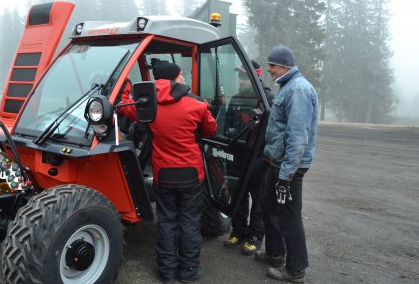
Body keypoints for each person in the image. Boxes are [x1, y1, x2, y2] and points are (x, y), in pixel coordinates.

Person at [119, 60, 217, 284]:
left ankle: (166, 272)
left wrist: (125, 83)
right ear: (175, 77)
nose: (184, 79)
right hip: (192, 175)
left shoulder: (146, 105)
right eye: (182, 75)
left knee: (166, 221)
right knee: (190, 222)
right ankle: (189, 270)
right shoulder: (197, 104)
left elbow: (123, 104)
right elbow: (211, 130)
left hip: (163, 174)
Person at [254, 46, 318, 283]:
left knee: (289, 217)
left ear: (285, 66)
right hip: (277, 163)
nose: (268, 69)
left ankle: (295, 269)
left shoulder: (298, 90)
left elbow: (298, 137)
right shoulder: (287, 86)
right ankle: (275, 253)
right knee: (269, 207)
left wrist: (286, 176)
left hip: (288, 168)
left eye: (272, 65)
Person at [223, 60, 274, 255]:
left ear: (255, 77)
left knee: (258, 199)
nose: (241, 80)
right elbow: (226, 124)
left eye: (244, 77)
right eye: (240, 76)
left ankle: (255, 236)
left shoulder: (267, 98)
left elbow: (273, 132)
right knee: (238, 196)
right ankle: (238, 230)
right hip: (237, 156)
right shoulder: (236, 99)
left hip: (258, 158)